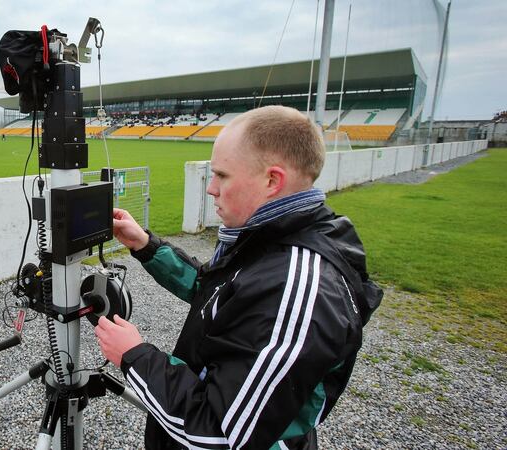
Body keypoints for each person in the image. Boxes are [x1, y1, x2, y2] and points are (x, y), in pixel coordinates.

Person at [94, 105, 382, 450]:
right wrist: (146, 246)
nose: (211, 189)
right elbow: (218, 290)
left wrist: (135, 355)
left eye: (222, 176)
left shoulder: (298, 285)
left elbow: (220, 432)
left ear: (272, 180)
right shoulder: (271, 236)